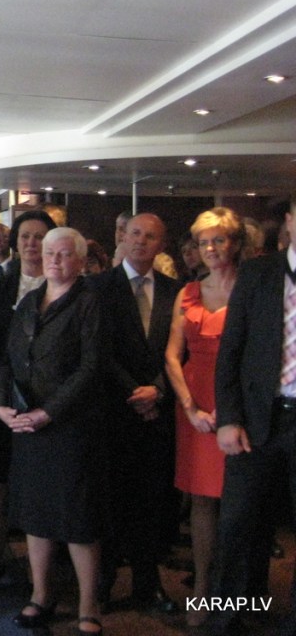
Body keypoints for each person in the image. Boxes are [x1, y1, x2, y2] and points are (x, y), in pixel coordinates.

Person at [0, 227, 103, 635]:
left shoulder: (90, 301)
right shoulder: (29, 300)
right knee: (36, 514)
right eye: (48, 253)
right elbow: (7, 359)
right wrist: (1, 405)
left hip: (70, 426)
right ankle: (41, 594)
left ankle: (88, 605)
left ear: (80, 260)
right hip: (26, 424)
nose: (54, 260)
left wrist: (49, 413)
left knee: (77, 518)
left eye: (63, 254)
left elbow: (90, 368)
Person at [208, 191, 296, 636]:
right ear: (290, 221)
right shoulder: (258, 274)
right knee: (239, 524)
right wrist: (228, 418)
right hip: (257, 419)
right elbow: (231, 351)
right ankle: (228, 615)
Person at [90, 212, 182, 612]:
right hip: (113, 411)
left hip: (158, 413)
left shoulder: (177, 291)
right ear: (123, 237)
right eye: (136, 234)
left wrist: (157, 390)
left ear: (162, 245)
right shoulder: (97, 287)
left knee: (152, 502)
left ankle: (148, 583)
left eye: (151, 236)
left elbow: (181, 351)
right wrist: (133, 391)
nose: (142, 241)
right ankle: (104, 581)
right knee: (109, 501)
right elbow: (97, 350)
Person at [164, 207, 243, 627]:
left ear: (235, 243)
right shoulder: (188, 292)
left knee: (240, 500)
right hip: (193, 402)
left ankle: (237, 591)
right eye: (203, 242)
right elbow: (172, 356)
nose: (210, 248)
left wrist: (233, 411)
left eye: (219, 240)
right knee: (201, 500)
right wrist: (190, 408)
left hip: (240, 402)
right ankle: (202, 588)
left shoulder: (253, 289)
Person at [0, 208, 57, 590]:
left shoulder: (64, 283)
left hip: (51, 403)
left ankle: (48, 569)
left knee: (46, 482)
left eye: (40, 237)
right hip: (4, 397)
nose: (31, 243)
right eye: (25, 236)